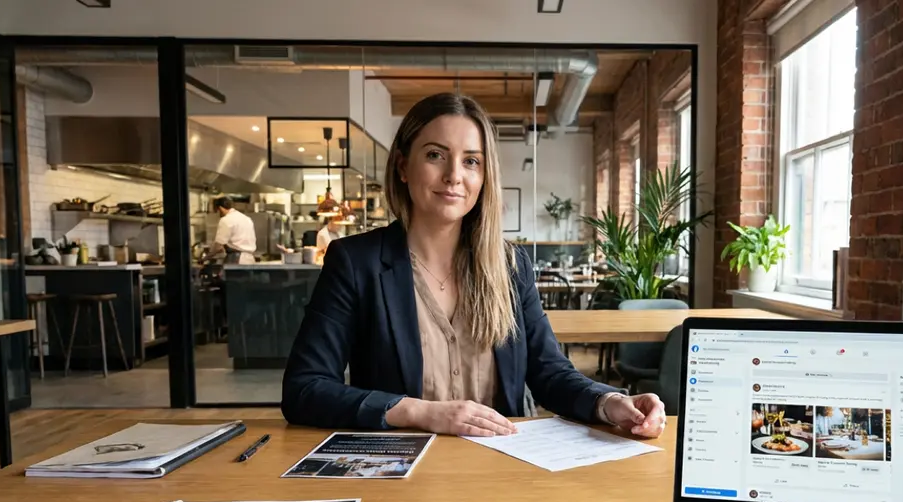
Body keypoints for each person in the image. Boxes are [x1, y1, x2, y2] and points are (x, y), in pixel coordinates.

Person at [282, 92, 666, 438]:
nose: (454, 176)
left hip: (502, 465)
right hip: (402, 469)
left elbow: (550, 372)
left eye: (471, 161)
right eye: (435, 155)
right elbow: (304, 388)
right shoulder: (356, 262)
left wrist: (609, 402)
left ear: (484, 177)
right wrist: (420, 412)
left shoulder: (511, 265)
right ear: (403, 166)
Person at [209, 196, 257, 264]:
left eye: (217, 211)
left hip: (236, 259)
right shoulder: (246, 218)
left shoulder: (225, 220)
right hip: (250, 259)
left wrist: (206, 257)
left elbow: (218, 246)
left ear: (220, 208)